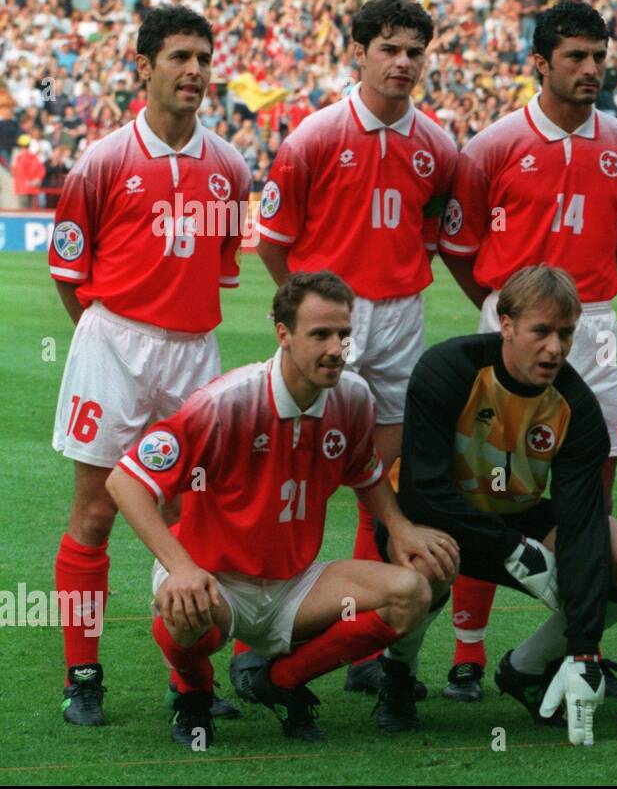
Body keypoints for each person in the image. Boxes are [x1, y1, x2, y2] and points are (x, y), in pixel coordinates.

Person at [106, 272, 459, 744]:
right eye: (320, 335)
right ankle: (193, 694)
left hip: (297, 583)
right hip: (216, 580)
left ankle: (283, 681)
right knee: (180, 614)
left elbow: (366, 470)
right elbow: (125, 481)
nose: (336, 348)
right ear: (283, 334)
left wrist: (399, 526)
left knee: (411, 592)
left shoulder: (352, 397)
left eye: (343, 335)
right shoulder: (224, 403)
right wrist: (181, 567)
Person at [437, 0, 617, 704]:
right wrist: (507, 316)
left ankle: (566, 647)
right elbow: (463, 249)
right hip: (510, 329)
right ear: (540, 62)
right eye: (575, 58)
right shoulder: (492, 145)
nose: (591, 69)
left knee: (591, 498)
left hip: (596, 328)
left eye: (599, 56)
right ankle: (468, 653)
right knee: (486, 492)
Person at [250, 0, 458, 698]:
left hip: (401, 316)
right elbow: (274, 242)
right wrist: (311, 313)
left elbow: (432, 230)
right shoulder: (314, 135)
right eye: (389, 48)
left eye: (414, 52)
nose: (403, 62)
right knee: (298, 471)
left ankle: (364, 641)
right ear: (360, 52)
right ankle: (273, 626)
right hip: (331, 312)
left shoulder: (438, 144)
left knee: (383, 485)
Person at [48, 5, 249, 726]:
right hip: (112, 343)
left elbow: (221, 276)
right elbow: (70, 274)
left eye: (204, 57)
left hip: (195, 353)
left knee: (187, 518)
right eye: (180, 57)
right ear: (145, 68)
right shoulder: (102, 160)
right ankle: (83, 675)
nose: (195, 70)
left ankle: (188, 677)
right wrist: (108, 340)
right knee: (96, 513)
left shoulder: (229, 166)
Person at [387, 266, 617, 746]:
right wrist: (512, 548)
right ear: (507, 324)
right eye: (541, 331)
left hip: (514, 514)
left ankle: (528, 669)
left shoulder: (576, 406)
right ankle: (397, 678)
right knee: (425, 561)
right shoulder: (447, 369)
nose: (555, 348)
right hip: (435, 517)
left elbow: (581, 523)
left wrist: (585, 653)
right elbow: (422, 491)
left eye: (566, 333)